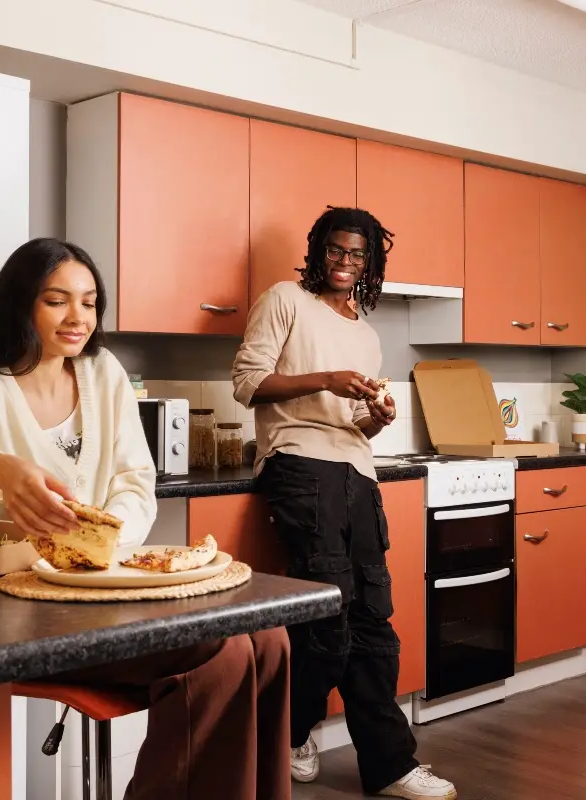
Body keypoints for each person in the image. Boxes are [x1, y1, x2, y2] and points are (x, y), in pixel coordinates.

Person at [0, 237, 292, 800]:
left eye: (89, 302)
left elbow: (136, 481)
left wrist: (102, 546)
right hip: (23, 606)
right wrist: (3, 469)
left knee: (270, 636)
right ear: (21, 305)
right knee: (225, 650)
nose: (78, 318)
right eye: (57, 300)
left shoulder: (102, 373)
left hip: (108, 590)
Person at [232, 207, 457, 800]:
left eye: (358, 255)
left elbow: (355, 424)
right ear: (318, 250)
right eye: (336, 251)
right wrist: (324, 378)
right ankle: (290, 731)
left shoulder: (365, 332)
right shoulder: (283, 299)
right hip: (299, 463)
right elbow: (247, 382)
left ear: (371, 263)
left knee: (372, 620)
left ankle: (390, 765)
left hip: (357, 471)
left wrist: (376, 417)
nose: (345, 263)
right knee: (328, 617)